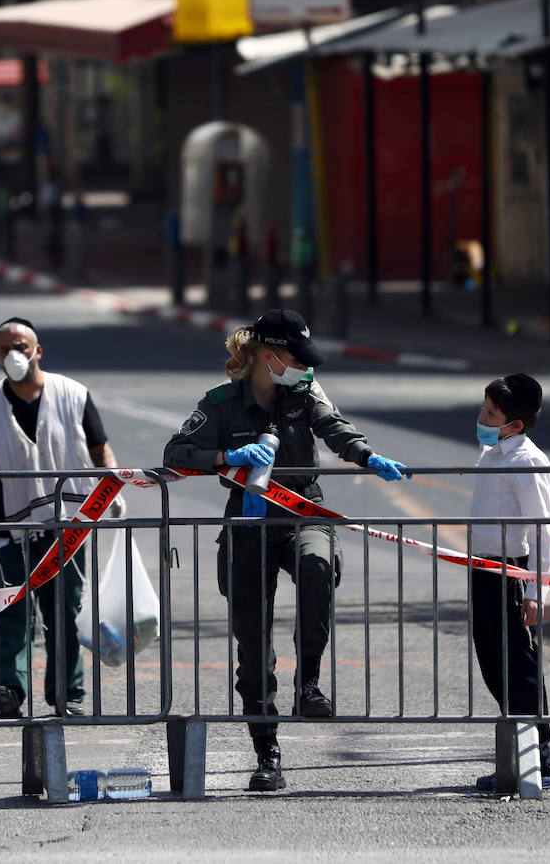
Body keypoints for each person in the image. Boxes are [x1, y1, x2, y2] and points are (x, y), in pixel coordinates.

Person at [163, 308, 409, 792]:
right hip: (249, 522)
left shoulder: (304, 394)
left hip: (302, 512)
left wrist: (366, 455)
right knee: (253, 647)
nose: (305, 366)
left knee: (318, 566)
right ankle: (267, 752)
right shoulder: (220, 403)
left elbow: (335, 428)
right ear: (269, 355)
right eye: (296, 357)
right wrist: (225, 457)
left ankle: (309, 684)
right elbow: (174, 453)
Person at [0, 317, 122, 719]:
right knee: (7, 613)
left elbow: (100, 450)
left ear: (38, 351)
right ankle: (8, 690)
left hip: (66, 528)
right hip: (8, 531)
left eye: (21, 346)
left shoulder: (73, 394)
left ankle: (66, 695)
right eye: (4, 349)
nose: (13, 354)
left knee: (66, 614)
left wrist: (114, 486)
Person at [468, 374, 550, 792]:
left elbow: (542, 529)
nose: (481, 417)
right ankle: (518, 755)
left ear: (515, 424)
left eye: (491, 413)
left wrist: (536, 590)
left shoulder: (527, 461)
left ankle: (541, 760)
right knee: (491, 657)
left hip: (511, 569)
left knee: (518, 664)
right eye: (484, 408)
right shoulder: (493, 452)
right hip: (482, 567)